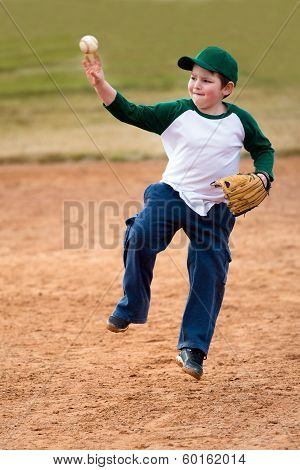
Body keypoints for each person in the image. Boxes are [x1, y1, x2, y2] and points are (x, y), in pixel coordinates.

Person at [83, 46, 274, 380]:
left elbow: (263, 149)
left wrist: (262, 176)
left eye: (206, 80)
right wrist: (100, 82)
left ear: (226, 88)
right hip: (172, 194)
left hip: (215, 208)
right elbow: (130, 112)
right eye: (193, 78)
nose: (196, 85)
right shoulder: (177, 112)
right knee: (141, 235)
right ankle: (131, 305)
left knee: (210, 270)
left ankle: (193, 349)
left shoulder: (239, 121)